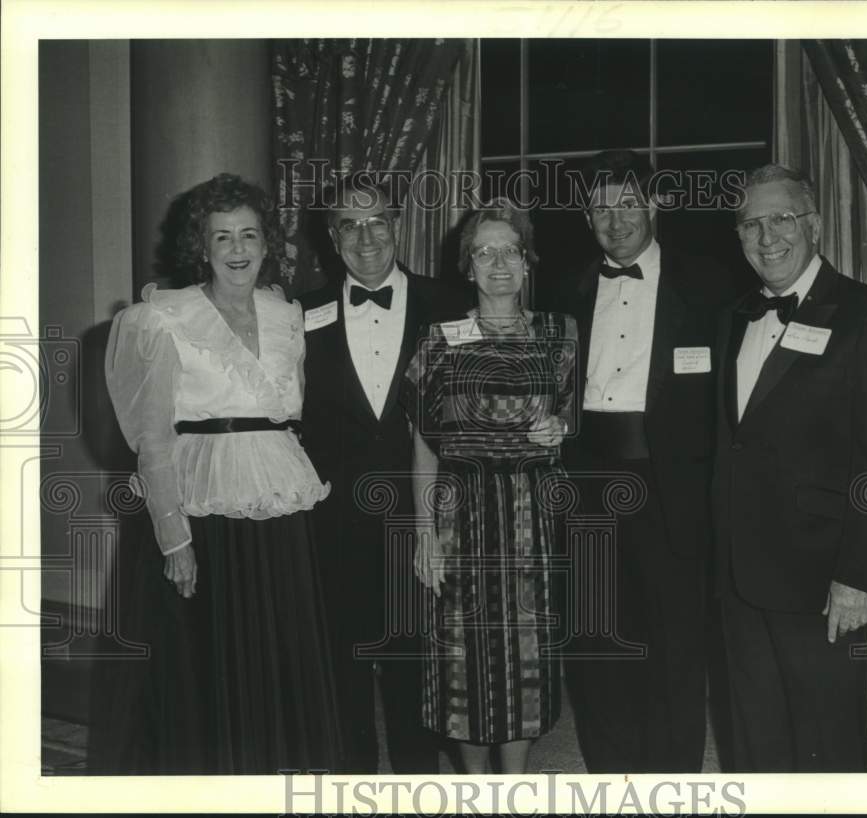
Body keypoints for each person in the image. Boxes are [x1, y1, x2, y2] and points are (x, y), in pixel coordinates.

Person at [100, 173, 339, 774]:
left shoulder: (287, 315)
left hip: (279, 498)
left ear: (266, 243)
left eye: (250, 235)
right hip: (201, 505)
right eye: (223, 237)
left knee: (279, 650)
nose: (238, 250)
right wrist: (173, 534)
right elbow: (152, 438)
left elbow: (293, 412)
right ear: (201, 249)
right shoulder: (163, 318)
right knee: (209, 662)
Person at [713, 164, 867, 771]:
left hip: (820, 576)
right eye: (751, 223)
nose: (767, 236)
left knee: (827, 742)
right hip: (736, 573)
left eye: (782, 218)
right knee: (753, 738)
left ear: (816, 226)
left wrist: (859, 576)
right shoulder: (732, 318)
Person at [561, 149, 735, 773]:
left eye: (628, 202)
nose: (617, 218)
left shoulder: (713, 286)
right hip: (586, 484)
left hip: (674, 488)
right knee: (596, 640)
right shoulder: (567, 289)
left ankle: (674, 780)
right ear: (587, 218)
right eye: (602, 207)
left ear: (654, 205)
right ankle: (610, 775)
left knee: (676, 644)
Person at [299, 177, 470, 774]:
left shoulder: (453, 305)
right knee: (342, 666)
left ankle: (418, 785)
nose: (365, 236)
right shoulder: (299, 313)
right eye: (349, 223)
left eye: (376, 221)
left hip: (423, 514)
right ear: (332, 236)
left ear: (397, 225)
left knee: (417, 668)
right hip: (334, 516)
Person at [400, 199, 576, 774]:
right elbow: (425, 442)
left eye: (510, 250)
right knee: (463, 659)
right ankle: (475, 786)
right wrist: (424, 532)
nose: (498, 262)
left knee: (526, 652)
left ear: (527, 262)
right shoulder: (439, 340)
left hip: (530, 522)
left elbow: (572, 424)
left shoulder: (560, 334)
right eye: (484, 251)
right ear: (467, 266)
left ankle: (515, 782)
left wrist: (560, 429)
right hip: (459, 520)